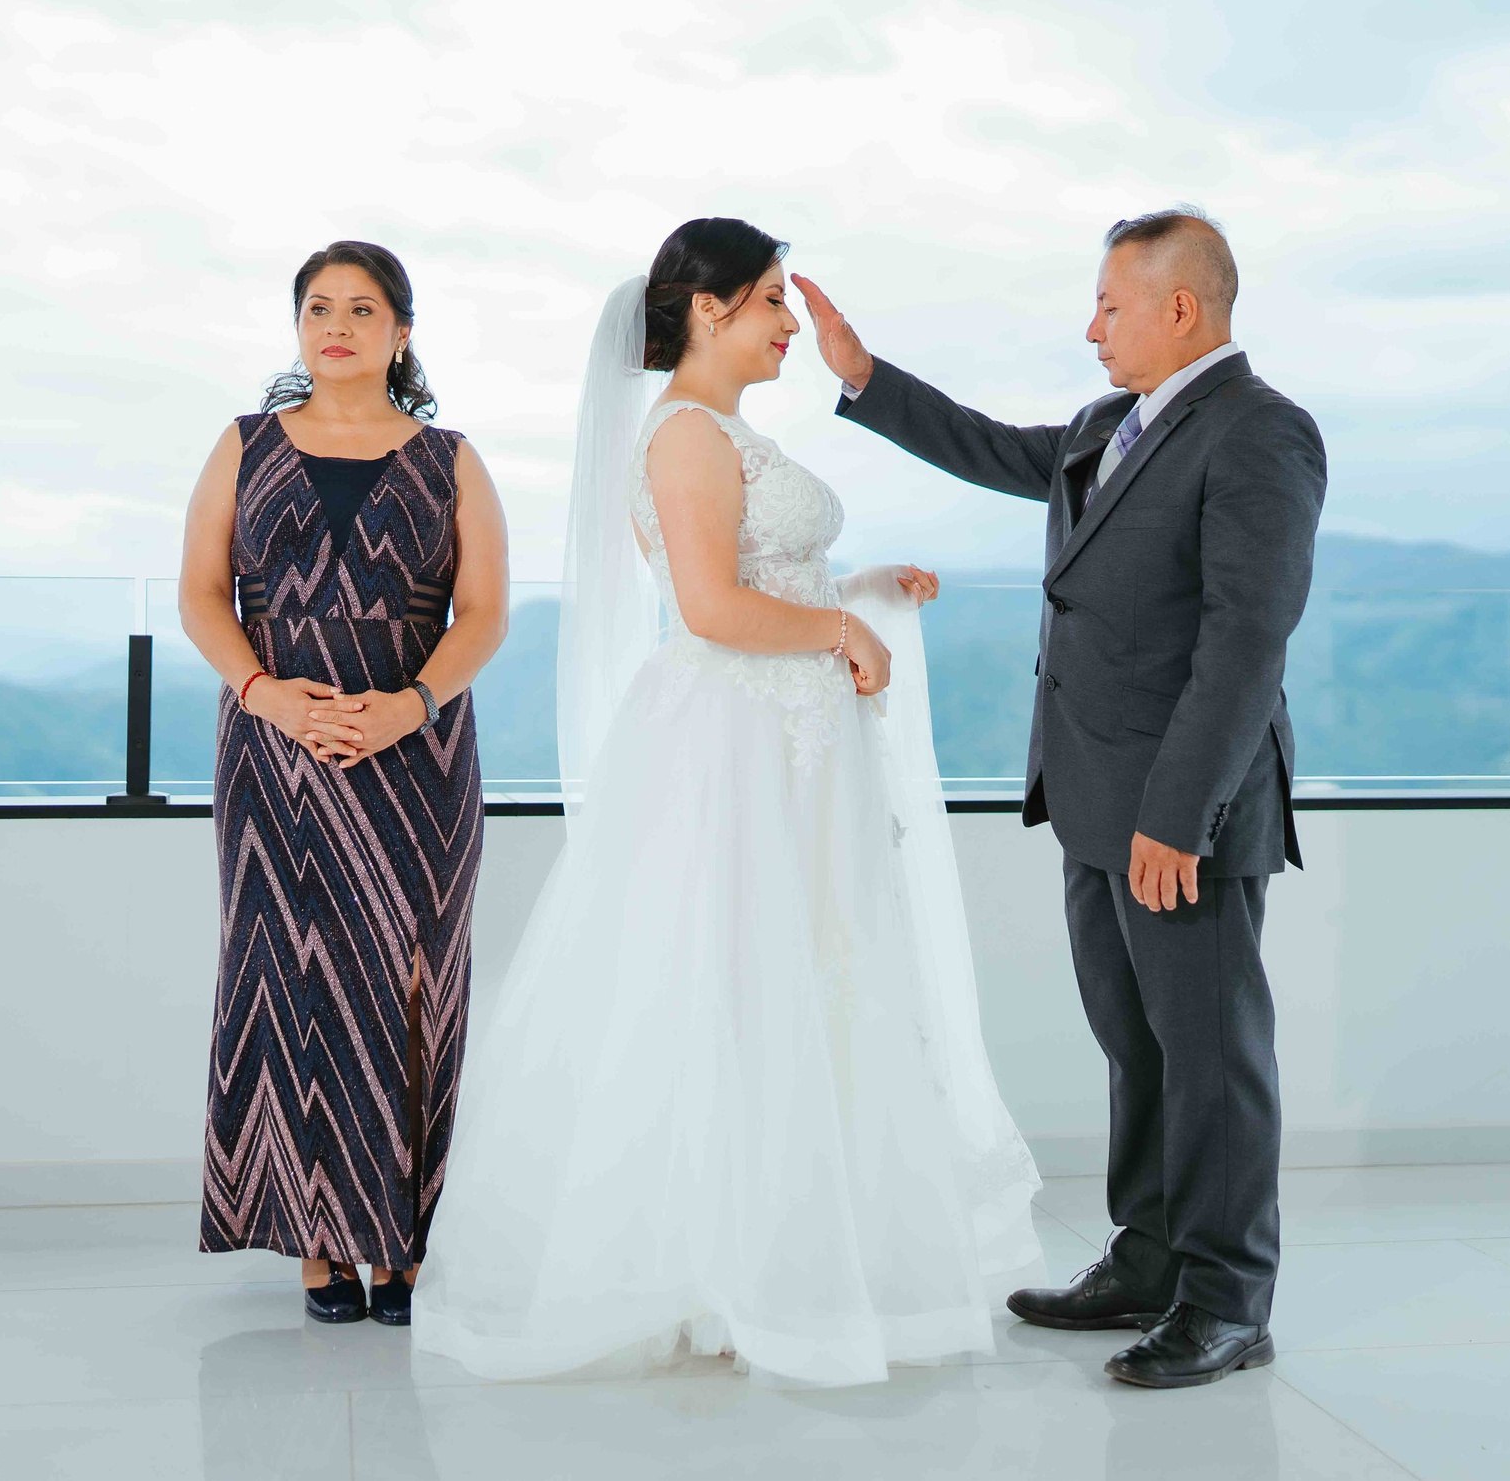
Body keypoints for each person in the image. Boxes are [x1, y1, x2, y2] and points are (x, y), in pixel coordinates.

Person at [411, 218, 1041, 1387]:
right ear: (708, 308)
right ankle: (722, 1265)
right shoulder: (687, 434)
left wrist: (861, 589)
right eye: (771, 300)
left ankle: (792, 1251)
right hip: (738, 739)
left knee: (800, 976)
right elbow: (706, 605)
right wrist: (840, 627)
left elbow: (762, 578)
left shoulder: (724, 432)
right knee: (735, 979)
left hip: (786, 733)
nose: (788, 323)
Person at [797, 206, 1325, 1390]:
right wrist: (864, 376)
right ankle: (1148, 1257)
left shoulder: (1260, 432)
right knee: (1135, 1043)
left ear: (1178, 308)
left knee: (1211, 1057)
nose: (1091, 329)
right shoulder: (1106, 425)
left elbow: (1245, 640)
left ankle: (1227, 1299)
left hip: (1183, 812)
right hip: (1091, 792)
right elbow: (992, 448)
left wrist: (1177, 815)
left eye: (1108, 305)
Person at [177, 240, 509, 1329]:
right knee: (283, 977)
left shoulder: (452, 459)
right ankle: (317, 1237)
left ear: (401, 333)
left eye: (363, 309)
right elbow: (201, 594)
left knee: (413, 983)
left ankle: (405, 1238)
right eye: (318, 307)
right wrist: (263, 692)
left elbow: (484, 615)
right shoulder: (243, 444)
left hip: (416, 756)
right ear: (298, 327)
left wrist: (412, 705)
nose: (337, 325)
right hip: (273, 751)